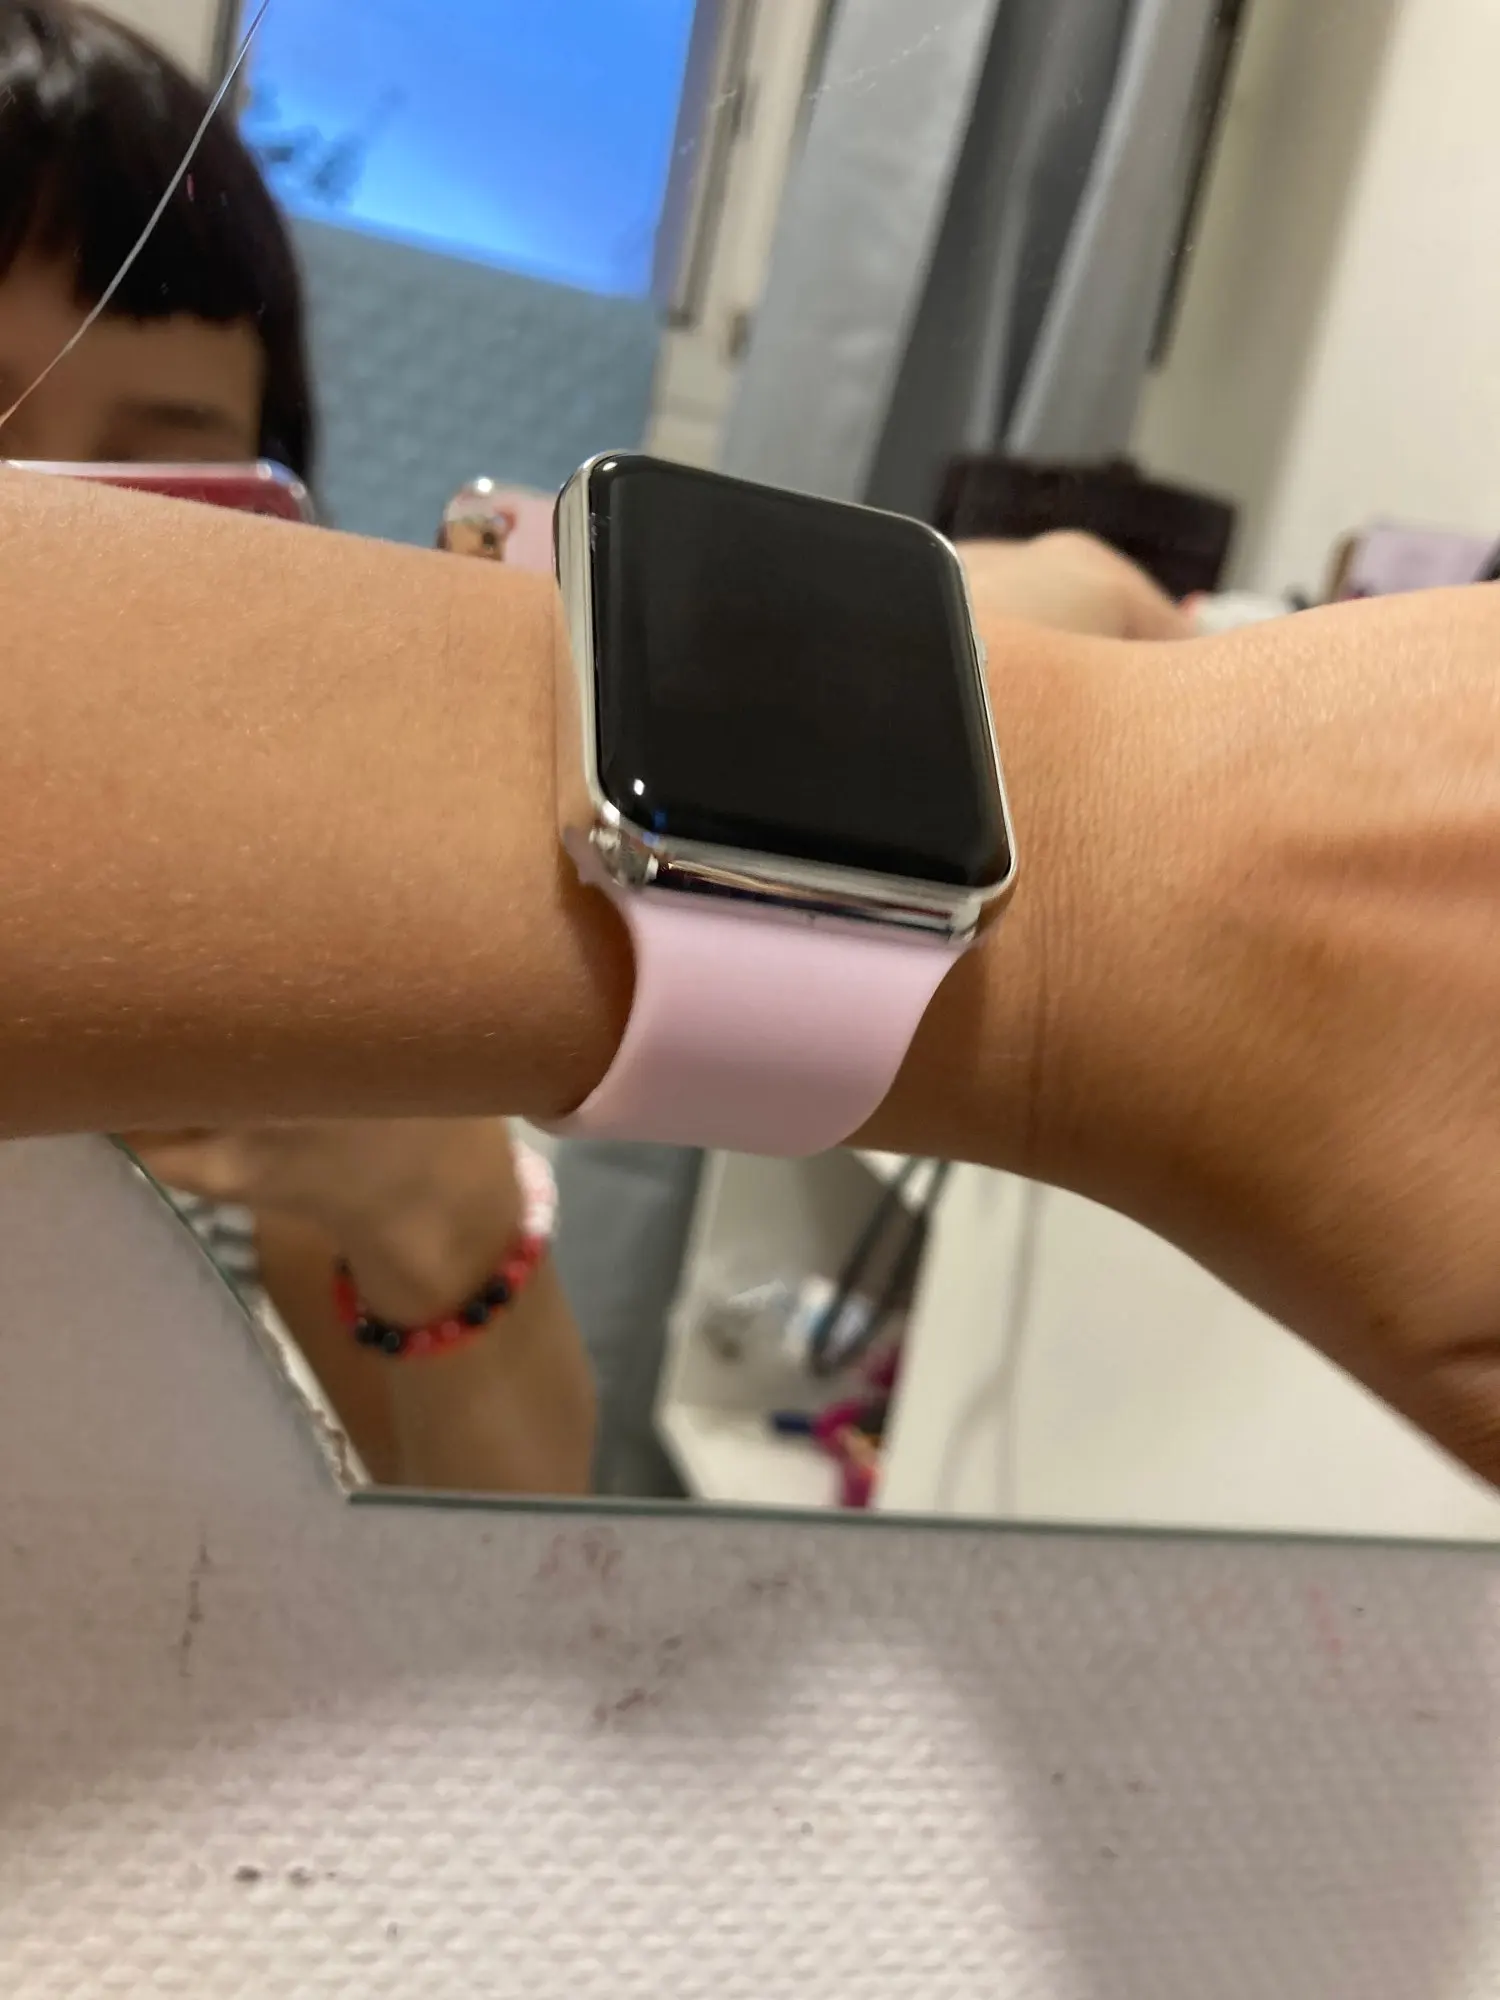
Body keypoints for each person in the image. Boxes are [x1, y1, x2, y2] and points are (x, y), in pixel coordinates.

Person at [0, 0, 594, 1496]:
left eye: (157, 484)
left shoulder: (238, 926)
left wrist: (436, 1214)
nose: (42, 544)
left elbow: (515, 1567)